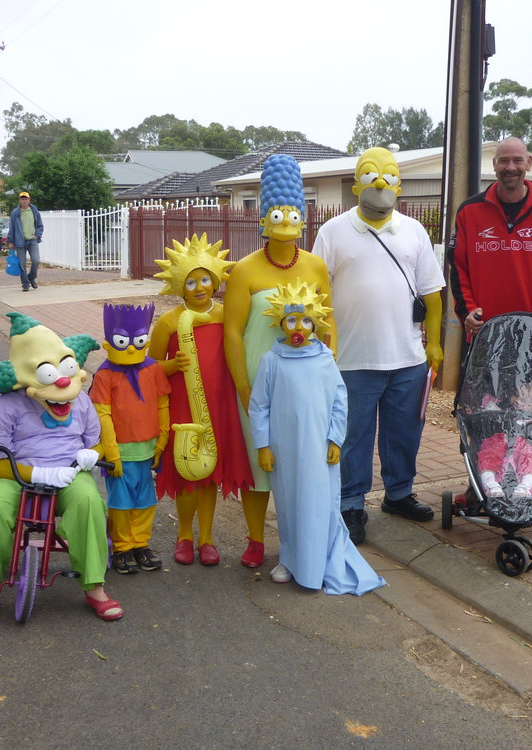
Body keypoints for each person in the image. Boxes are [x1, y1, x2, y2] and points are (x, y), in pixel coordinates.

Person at [311, 147, 444, 544]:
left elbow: (433, 294)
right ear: (357, 185)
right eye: (371, 175)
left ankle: (398, 493)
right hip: (351, 359)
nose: (380, 183)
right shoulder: (332, 231)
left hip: (408, 358)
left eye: (387, 176)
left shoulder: (414, 231)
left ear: (398, 185)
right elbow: (317, 293)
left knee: (405, 432)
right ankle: (351, 502)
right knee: (353, 435)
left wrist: (433, 344)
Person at [0, 312, 122, 624]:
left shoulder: (80, 400)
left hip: (71, 474)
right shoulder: (8, 404)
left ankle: (94, 585)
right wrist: (35, 474)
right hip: (19, 477)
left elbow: (97, 442)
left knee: (89, 503)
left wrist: (91, 454)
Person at [223, 154, 334, 568]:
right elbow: (232, 331)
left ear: (302, 217)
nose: (285, 221)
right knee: (260, 460)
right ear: (263, 219)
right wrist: (243, 385)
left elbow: (328, 319)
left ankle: (297, 537)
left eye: (292, 212)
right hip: (257, 375)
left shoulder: (316, 266)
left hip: (306, 379)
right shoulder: (245, 270)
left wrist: (330, 364)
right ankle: (255, 539)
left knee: (302, 458)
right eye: (276, 213)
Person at [249, 278, 386, 595]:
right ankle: (290, 558)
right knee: (288, 503)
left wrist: (336, 439)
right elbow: (260, 407)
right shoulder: (272, 361)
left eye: (306, 320)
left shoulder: (325, 359)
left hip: (319, 448)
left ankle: (319, 559)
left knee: (318, 503)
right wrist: (263, 446)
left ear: (315, 323)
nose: (299, 327)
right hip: (284, 450)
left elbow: (340, 402)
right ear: (281, 323)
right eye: (292, 320)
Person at [149, 234, 253, 566]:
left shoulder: (227, 316)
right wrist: (169, 365)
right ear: (180, 285)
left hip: (219, 406)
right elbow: (149, 369)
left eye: (205, 279)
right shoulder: (168, 322)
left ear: (215, 280)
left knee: (209, 472)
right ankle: (183, 534)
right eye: (191, 281)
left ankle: (206, 537)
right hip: (184, 407)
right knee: (188, 471)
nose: (199, 287)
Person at [448, 136, 532, 339]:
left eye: (517, 160)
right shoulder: (469, 211)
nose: (510, 167)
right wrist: (466, 312)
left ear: (529, 163)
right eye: (504, 160)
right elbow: (458, 268)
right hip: (484, 333)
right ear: (494, 164)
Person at [88, 303, 171, 575]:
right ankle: (122, 546)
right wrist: (111, 453)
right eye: (124, 341)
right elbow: (103, 415)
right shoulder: (104, 374)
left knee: (146, 500)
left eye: (138, 341)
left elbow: (162, 405)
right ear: (109, 342)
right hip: (120, 453)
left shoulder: (153, 369)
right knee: (121, 503)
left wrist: (161, 441)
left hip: (147, 451)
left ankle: (140, 544)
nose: (132, 348)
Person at [476, 383, 532, 500]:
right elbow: (489, 407)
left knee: (528, 457)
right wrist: (492, 409)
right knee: (489, 453)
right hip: (501, 441)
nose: (519, 403)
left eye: (526, 402)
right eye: (518, 398)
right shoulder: (505, 410)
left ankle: (526, 486)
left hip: (523, 445)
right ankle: (489, 483)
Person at [8, 191, 43, 292]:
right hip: (20, 241)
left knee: (36, 261)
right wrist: (10, 241)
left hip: (32, 240)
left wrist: (38, 235)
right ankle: (25, 284)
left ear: (29, 200)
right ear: (20, 200)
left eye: (26, 198)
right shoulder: (15, 213)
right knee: (22, 264)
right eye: (22, 199)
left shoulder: (34, 211)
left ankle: (31, 277)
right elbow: (12, 228)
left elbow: (40, 225)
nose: (24, 200)